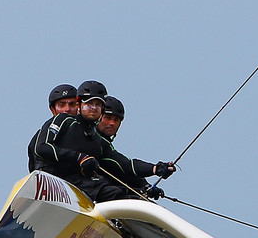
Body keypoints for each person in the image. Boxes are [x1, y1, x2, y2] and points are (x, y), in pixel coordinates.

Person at [47, 80, 178, 202]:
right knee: (114, 192)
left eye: (116, 120)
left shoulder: (100, 144)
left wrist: (150, 178)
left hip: (90, 192)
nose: (111, 123)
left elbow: (124, 165)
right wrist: (79, 158)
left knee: (131, 196)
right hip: (61, 187)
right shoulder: (67, 124)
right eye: (108, 118)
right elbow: (41, 148)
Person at [27, 84, 79, 172]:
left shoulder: (87, 132)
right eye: (62, 105)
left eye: (72, 104)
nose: (67, 109)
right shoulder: (42, 133)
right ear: (53, 110)